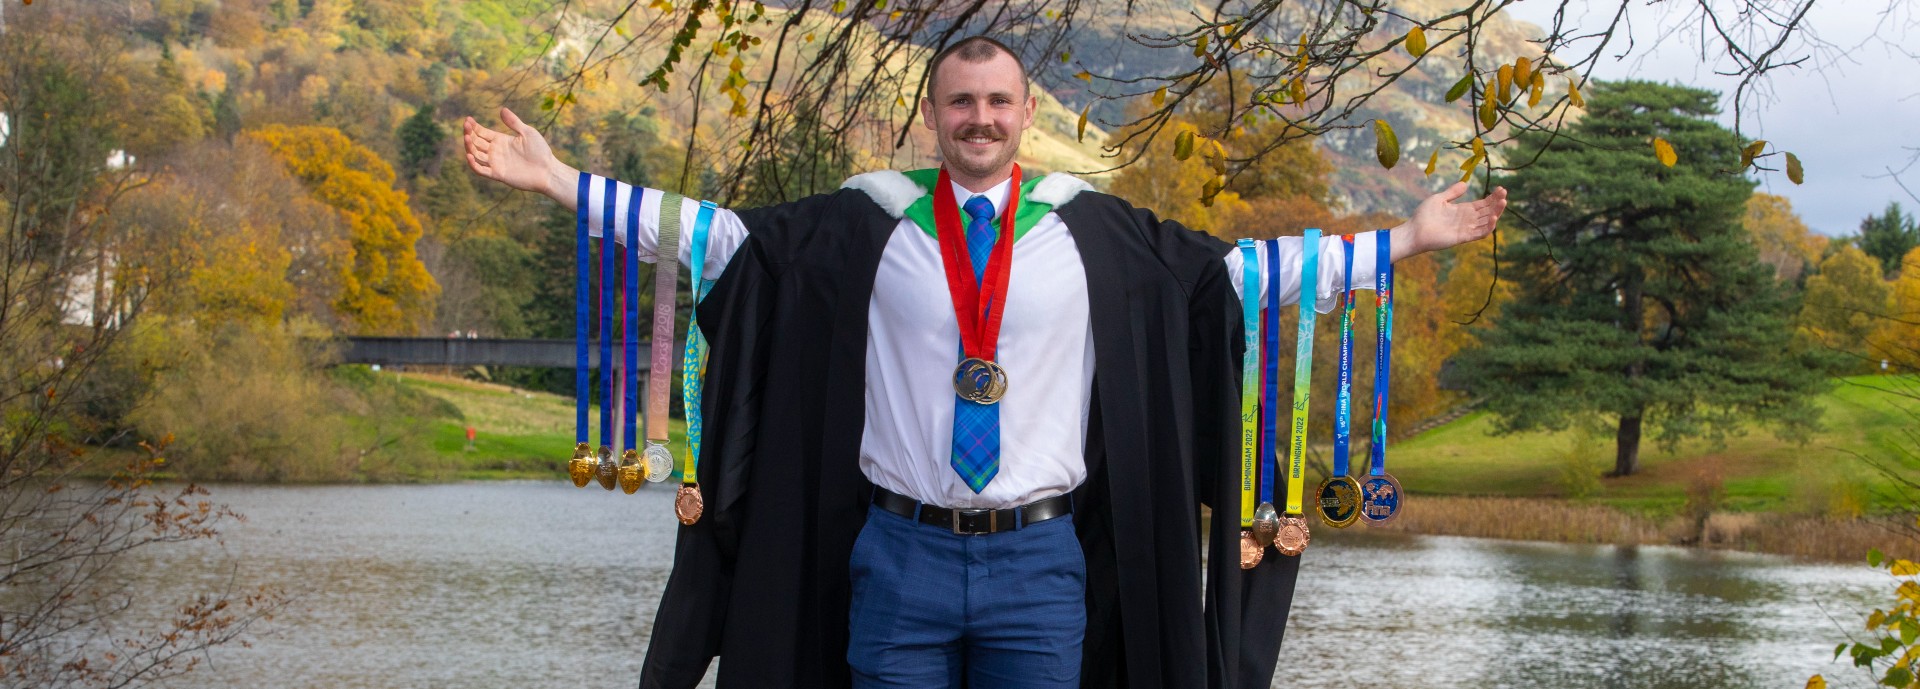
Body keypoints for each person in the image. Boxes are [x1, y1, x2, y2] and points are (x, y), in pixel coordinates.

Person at [463, 35, 1506, 689]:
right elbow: (713, 237)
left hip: (1040, 562)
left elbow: (1244, 276)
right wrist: (561, 183)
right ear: (933, 113)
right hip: (898, 555)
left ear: (1026, 116)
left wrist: (1405, 241)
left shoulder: (1100, 233)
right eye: (961, 102)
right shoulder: (857, 225)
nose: (980, 118)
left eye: (998, 102)